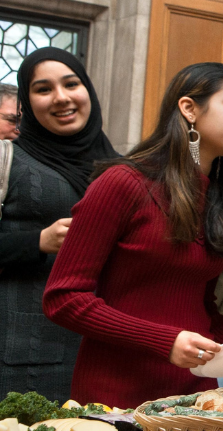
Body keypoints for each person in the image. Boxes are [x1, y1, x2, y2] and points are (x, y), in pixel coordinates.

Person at [42, 62, 223, 408]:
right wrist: (164, 341)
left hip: (196, 400)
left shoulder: (220, 198)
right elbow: (63, 299)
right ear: (189, 109)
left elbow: (200, 307)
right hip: (116, 397)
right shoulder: (122, 183)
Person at [0, 48, 119, 402]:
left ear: (88, 91)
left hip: (109, 351)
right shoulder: (8, 158)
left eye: (71, 84)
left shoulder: (123, 169)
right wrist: (38, 240)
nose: (61, 97)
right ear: (26, 104)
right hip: (22, 355)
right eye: (43, 89)